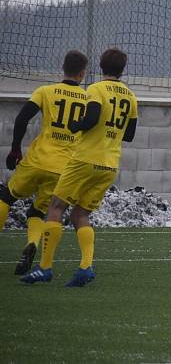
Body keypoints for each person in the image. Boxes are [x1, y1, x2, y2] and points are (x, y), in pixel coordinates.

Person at [21, 48, 138, 287]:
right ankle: (85, 267)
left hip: (85, 159)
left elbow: (92, 117)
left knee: (55, 206)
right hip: (109, 164)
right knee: (80, 214)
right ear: (122, 69)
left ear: (101, 67)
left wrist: (76, 126)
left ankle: (45, 268)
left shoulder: (95, 89)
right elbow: (130, 134)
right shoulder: (130, 96)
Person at [1, 51, 89, 275]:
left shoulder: (45, 91)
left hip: (38, 159)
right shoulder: (89, 99)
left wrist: (15, 149)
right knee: (39, 211)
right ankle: (33, 243)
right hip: (63, 168)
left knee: (7, 196)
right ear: (82, 74)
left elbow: (22, 119)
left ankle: (30, 244)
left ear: (63, 68)